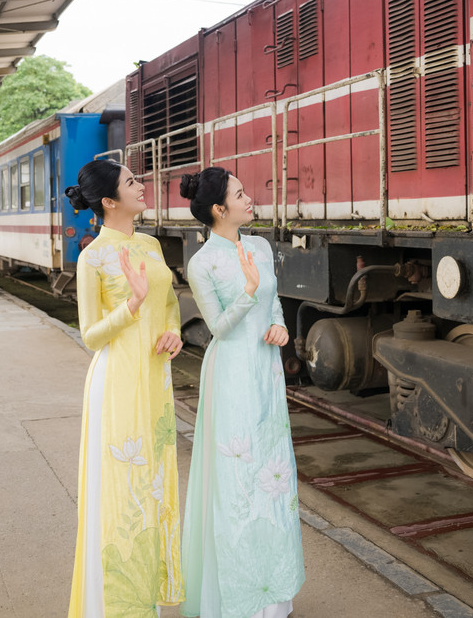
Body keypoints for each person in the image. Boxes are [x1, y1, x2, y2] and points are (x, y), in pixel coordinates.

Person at [179, 167, 304, 618]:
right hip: (231, 374)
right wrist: (248, 293)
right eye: (240, 193)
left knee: (273, 476)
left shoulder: (260, 246)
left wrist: (279, 326)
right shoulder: (202, 263)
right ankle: (238, 599)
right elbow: (217, 327)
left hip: (265, 371)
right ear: (219, 209)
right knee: (238, 480)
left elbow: (274, 301)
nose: (250, 198)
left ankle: (273, 595)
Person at [65, 160, 184, 618]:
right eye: (132, 182)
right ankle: (113, 606)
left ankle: (146, 599)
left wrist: (173, 330)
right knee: (122, 492)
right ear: (109, 201)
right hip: (117, 382)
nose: (142, 185)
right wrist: (132, 305)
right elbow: (90, 335)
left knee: (153, 487)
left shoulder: (150, 245)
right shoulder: (92, 257)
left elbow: (168, 304)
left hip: (155, 378)